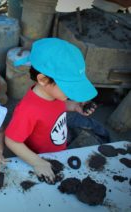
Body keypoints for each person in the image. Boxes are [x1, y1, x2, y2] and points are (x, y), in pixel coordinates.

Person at [5, 38, 98, 183]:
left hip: (58, 152)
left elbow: (54, 109)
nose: (72, 93)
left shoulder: (56, 96)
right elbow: (11, 140)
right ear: (43, 80)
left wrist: (73, 106)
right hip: (42, 160)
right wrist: (37, 162)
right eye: (68, 87)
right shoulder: (28, 109)